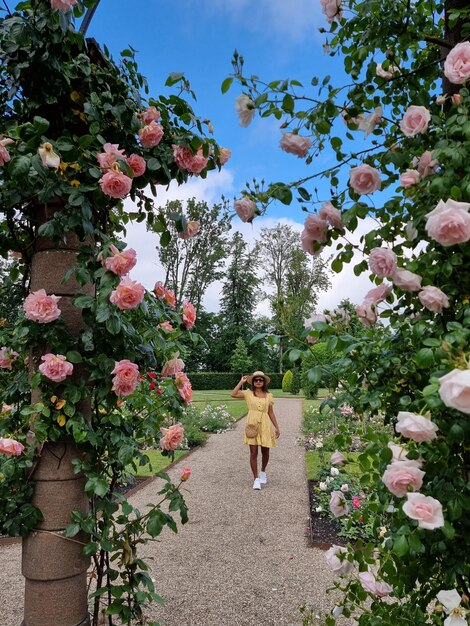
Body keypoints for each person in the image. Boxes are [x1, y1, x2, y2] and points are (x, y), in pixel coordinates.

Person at [231, 370, 280, 490]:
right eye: (256, 380)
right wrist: (240, 382)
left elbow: (270, 412)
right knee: (253, 452)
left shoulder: (269, 395)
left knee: (265, 451)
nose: (258, 381)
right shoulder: (248, 393)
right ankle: (256, 479)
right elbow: (233, 394)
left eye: (261, 380)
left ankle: (263, 472)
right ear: (253, 382)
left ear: (264, 382)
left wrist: (277, 427)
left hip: (265, 425)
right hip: (252, 425)